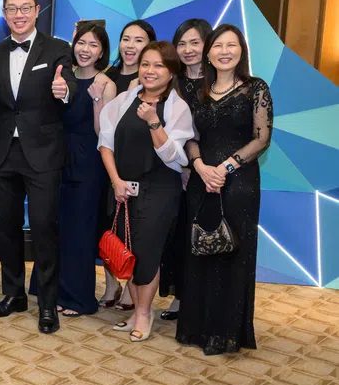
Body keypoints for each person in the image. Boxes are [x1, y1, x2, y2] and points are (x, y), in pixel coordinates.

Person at [0, 0, 77, 334]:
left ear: (37, 11)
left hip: (43, 153)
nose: (18, 15)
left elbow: (69, 82)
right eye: (12, 9)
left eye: (25, 8)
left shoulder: (57, 48)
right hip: (3, 153)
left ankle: (47, 304)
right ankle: (14, 294)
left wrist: (64, 90)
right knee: (6, 228)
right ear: (4, 14)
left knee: (43, 228)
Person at [178, 25, 272, 356]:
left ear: (242, 51)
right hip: (202, 180)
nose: (224, 51)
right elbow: (190, 137)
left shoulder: (256, 88)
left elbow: (261, 138)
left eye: (232, 45)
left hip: (239, 182)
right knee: (201, 248)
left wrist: (225, 168)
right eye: (218, 46)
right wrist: (200, 166)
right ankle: (196, 328)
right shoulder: (198, 92)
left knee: (233, 252)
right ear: (209, 53)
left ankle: (226, 332)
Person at [98, 42, 194, 343]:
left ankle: (143, 313)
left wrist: (153, 122)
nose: (150, 71)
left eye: (158, 66)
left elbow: (175, 157)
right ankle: (137, 310)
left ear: (171, 72)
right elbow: (105, 143)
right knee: (129, 251)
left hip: (160, 190)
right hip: (123, 189)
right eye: (145, 64)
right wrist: (115, 181)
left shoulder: (178, 108)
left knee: (148, 253)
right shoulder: (124, 100)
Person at [31, 20, 116, 317]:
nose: (85, 49)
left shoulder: (106, 84)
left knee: (79, 231)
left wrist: (96, 101)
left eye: (93, 45)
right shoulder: (63, 75)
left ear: (102, 51)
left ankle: (78, 298)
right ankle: (51, 291)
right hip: (55, 157)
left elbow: (103, 133)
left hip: (87, 163)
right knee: (54, 227)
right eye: (81, 43)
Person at [158, 18, 213, 320]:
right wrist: (180, 166)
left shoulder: (217, 81)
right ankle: (180, 296)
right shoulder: (172, 82)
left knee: (205, 235)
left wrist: (196, 165)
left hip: (209, 169)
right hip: (173, 170)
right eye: (182, 43)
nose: (188, 49)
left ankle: (205, 299)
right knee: (178, 235)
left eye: (195, 43)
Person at [107, 20, 156, 95]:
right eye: (126, 39)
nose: (130, 45)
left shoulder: (148, 80)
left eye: (138, 41)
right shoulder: (109, 73)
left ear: (150, 45)